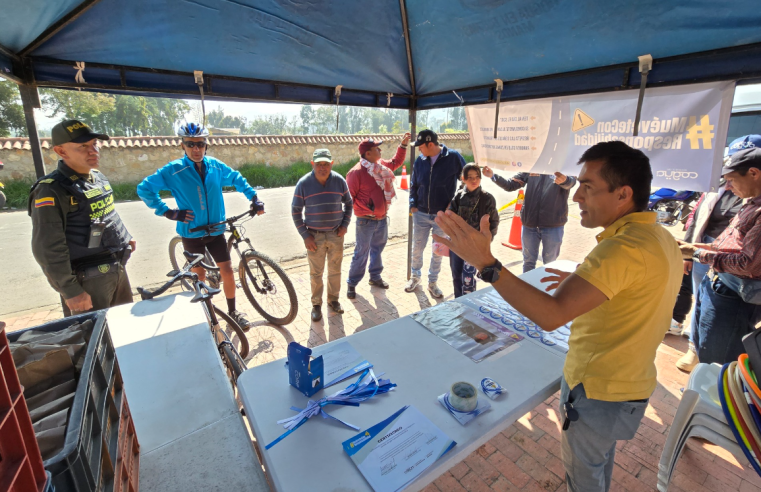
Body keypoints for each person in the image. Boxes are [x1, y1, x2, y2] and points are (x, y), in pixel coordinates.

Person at [433, 141, 681, 492]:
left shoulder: (621, 250)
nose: (577, 196)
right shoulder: (656, 236)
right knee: (597, 464)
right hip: (628, 384)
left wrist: (488, 266)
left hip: (599, 391)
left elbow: (551, 315)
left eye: (588, 186)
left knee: (584, 479)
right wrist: (589, 281)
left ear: (623, 194)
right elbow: (637, 285)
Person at [137, 123, 263, 329]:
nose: (196, 149)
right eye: (190, 144)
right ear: (183, 146)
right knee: (200, 276)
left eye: (200, 144)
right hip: (192, 233)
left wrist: (254, 197)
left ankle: (233, 312)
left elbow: (237, 179)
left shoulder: (215, 166)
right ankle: (208, 316)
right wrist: (168, 212)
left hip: (216, 230)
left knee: (227, 272)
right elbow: (144, 189)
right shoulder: (173, 170)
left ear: (206, 145)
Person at [29, 119, 136, 316]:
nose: (93, 151)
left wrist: (124, 237)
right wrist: (71, 291)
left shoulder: (97, 177)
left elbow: (106, 212)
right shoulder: (51, 190)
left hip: (116, 267)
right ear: (61, 152)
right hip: (88, 278)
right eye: (83, 146)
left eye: (95, 144)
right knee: (95, 338)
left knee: (124, 330)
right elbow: (47, 247)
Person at [679, 147, 761, 365]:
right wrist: (692, 246)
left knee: (719, 358)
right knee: (704, 346)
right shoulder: (752, 203)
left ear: (754, 173)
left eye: (732, 180)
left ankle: (712, 395)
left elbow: (747, 263)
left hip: (734, 294)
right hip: (718, 284)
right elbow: (728, 245)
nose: (729, 187)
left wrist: (696, 253)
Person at [345, 133, 410, 299]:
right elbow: (348, 199)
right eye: (376, 148)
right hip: (365, 221)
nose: (380, 150)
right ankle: (352, 283)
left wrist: (402, 146)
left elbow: (396, 162)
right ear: (367, 154)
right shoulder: (355, 173)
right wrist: (368, 208)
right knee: (361, 252)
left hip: (381, 220)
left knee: (377, 250)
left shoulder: (380, 167)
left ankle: (375, 277)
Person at [292, 149, 353, 321]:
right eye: (319, 164)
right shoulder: (303, 184)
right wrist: (305, 235)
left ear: (331, 164)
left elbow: (349, 204)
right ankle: (316, 304)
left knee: (335, 270)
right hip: (314, 237)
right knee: (316, 273)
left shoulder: (339, 181)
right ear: (313, 164)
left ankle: (333, 300)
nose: (322, 167)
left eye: (326, 164)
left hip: (336, 234)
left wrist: (344, 225)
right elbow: (295, 211)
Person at [407, 129, 466, 298]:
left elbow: (466, 180)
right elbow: (414, 184)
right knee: (417, 247)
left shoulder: (453, 157)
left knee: (438, 250)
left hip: (442, 216)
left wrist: (452, 204)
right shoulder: (420, 160)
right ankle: (415, 276)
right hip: (421, 214)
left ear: (430, 144)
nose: (419, 150)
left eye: (421, 146)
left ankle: (432, 282)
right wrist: (413, 204)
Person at [483, 166, 576, 272]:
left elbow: (571, 182)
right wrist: (493, 176)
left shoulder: (563, 165)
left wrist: (565, 180)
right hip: (529, 224)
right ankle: (527, 287)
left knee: (550, 264)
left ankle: (546, 288)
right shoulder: (533, 165)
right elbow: (510, 185)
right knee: (528, 262)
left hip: (553, 225)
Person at [447, 163, 499, 297]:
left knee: (469, 278)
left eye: (477, 176)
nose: (474, 180)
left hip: (475, 245)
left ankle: (470, 303)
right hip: (458, 244)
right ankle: (459, 301)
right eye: (470, 177)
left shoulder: (487, 198)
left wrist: (487, 241)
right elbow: (449, 217)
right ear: (463, 179)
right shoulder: (458, 197)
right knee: (456, 274)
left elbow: (494, 221)